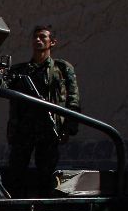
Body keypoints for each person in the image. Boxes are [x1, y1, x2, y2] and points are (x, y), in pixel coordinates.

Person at [6, 25, 81, 195]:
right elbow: (4, 86)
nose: (37, 40)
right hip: (24, 129)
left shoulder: (61, 69)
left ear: (52, 42)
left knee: (45, 174)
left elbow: (73, 99)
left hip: (49, 128)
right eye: (35, 37)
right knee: (16, 172)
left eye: (42, 37)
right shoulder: (20, 71)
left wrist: (69, 127)